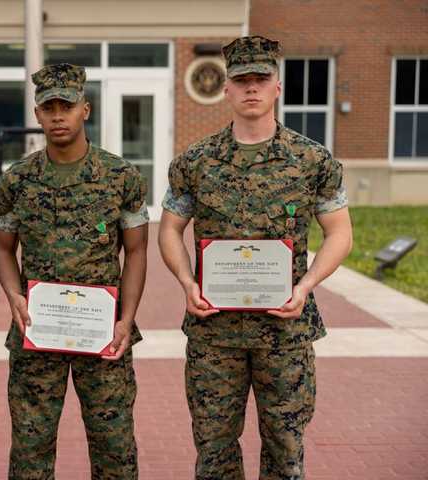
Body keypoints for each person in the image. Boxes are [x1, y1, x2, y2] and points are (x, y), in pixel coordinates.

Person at [158, 36, 353, 480]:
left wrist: (305, 286)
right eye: (241, 79)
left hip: (284, 330)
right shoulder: (195, 162)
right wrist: (188, 284)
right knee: (214, 449)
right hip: (214, 332)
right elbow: (169, 229)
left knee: (285, 449)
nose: (251, 88)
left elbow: (340, 232)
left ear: (277, 87)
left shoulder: (312, 160)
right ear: (226, 89)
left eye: (261, 78)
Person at [0, 63, 149, 479]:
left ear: (86, 109)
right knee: (30, 446)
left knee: (113, 444)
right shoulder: (17, 181)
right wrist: (13, 296)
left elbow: (136, 253)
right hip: (37, 333)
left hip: (103, 334)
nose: (58, 115)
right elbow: (3, 249)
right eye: (49, 107)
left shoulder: (121, 178)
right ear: (37, 114)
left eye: (67, 105)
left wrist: (127, 319)